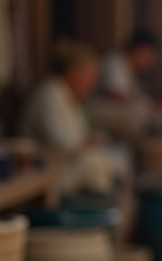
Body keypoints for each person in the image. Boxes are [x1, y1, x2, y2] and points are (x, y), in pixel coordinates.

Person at [20, 39, 119, 195]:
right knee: (94, 164)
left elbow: (80, 136)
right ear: (72, 72)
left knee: (109, 158)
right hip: (45, 167)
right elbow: (60, 143)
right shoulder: (49, 93)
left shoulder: (72, 98)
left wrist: (90, 142)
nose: (91, 84)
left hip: (66, 163)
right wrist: (87, 143)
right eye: (89, 78)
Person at [100, 30, 161, 104]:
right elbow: (118, 96)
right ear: (140, 50)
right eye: (150, 55)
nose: (151, 61)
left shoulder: (130, 68)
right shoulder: (114, 62)